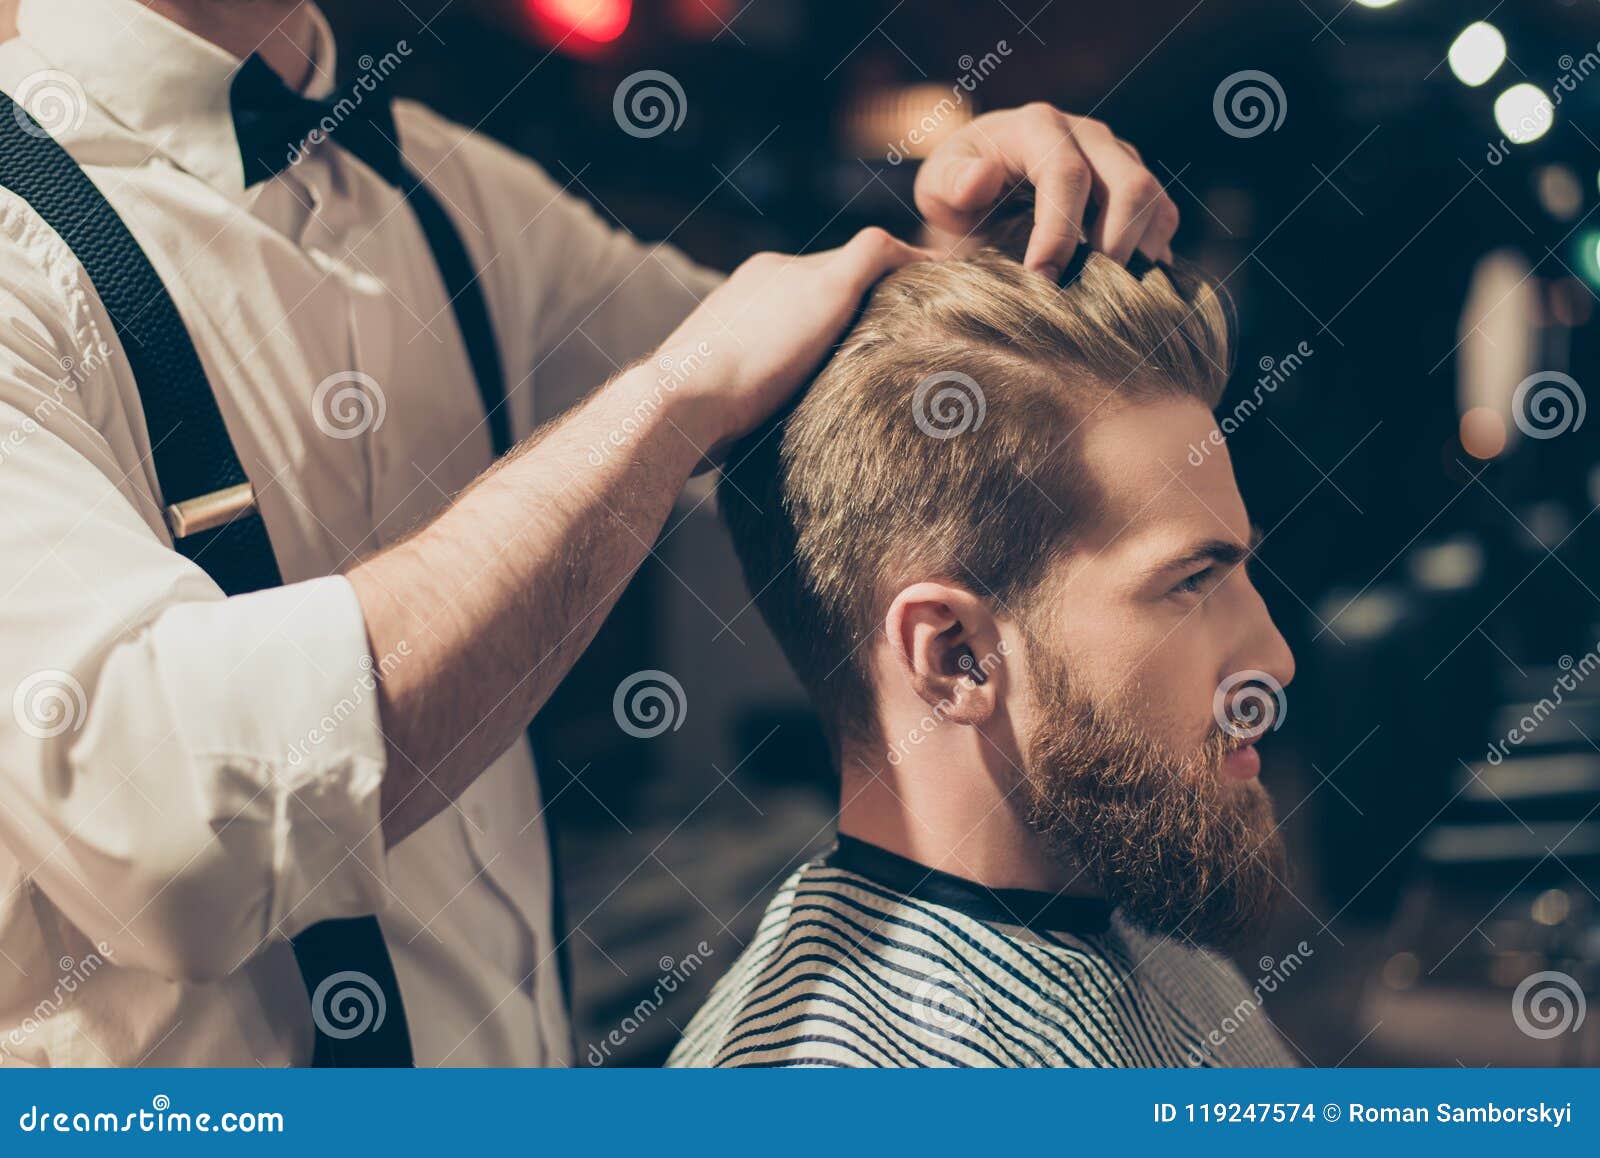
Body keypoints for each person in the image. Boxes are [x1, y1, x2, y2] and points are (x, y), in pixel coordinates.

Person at [0, 0, 1182, 1066]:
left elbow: (827, 393)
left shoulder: (453, 192)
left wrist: (982, 274)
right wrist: (672, 399)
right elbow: (179, 843)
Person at [668, 238, 1299, 1067]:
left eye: (1237, 571)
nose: (1276, 661)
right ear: (956, 655)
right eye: (1189, 584)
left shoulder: (1151, 944)